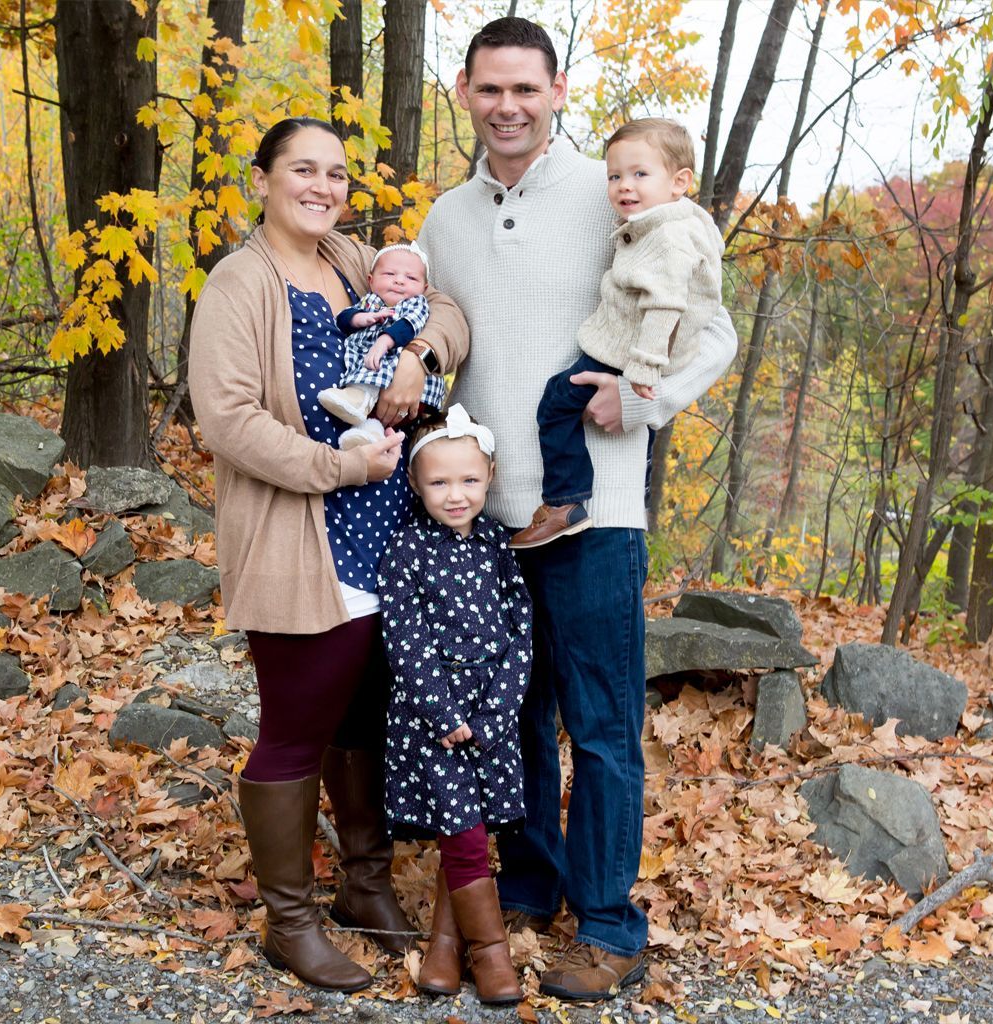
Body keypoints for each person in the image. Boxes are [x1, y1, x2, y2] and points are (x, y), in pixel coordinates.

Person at [417, 17, 738, 1002]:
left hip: (596, 514)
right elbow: (441, 328)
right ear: (467, 94)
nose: (508, 106)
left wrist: (642, 398)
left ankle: (608, 924)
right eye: (490, 89)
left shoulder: (616, 198)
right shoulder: (445, 220)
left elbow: (713, 333)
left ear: (557, 92)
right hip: (490, 520)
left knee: (599, 728)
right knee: (512, 716)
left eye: (527, 88)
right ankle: (527, 883)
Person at [189, 116, 469, 993]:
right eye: (303, 170)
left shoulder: (356, 261)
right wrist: (332, 467)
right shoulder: (241, 283)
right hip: (302, 534)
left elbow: (449, 311)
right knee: (298, 729)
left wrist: (419, 354)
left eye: (338, 174)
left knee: (366, 717)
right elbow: (227, 420)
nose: (323, 186)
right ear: (264, 178)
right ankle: (291, 921)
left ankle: (365, 885)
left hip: (388, 529)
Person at [511, 118, 724, 550]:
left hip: (628, 351)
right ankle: (566, 501)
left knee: (555, 404)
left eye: (640, 175)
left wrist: (643, 372)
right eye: (614, 176)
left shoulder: (668, 236)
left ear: (680, 181)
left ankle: (566, 502)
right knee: (560, 400)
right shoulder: (661, 224)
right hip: (629, 347)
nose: (624, 186)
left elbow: (666, 304)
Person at [378, 405, 531, 1006]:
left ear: (489, 478)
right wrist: (444, 715)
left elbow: (522, 631)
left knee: (468, 829)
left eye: (469, 480)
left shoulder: (498, 544)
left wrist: (496, 714)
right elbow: (404, 640)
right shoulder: (407, 549)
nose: (456, 494)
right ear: (416, 484)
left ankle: (445, 947)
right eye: (439, 482)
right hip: (433, 721)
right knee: (464, 833)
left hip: (490, 717)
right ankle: (492, 955)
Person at [318, 243, 447, 449]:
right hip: (381, 381)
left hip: (408, 391)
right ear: (371, 280)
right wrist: (361, 318)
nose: (399, 280)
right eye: (389, 274)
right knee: (372, 372)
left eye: (411, 278)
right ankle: (369, 433)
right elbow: (343, 318)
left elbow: (408, 326)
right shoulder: (370, 301)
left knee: (378, 364)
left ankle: (357, 400)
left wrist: (383, 342)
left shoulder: (416, 303)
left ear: (423, 288)